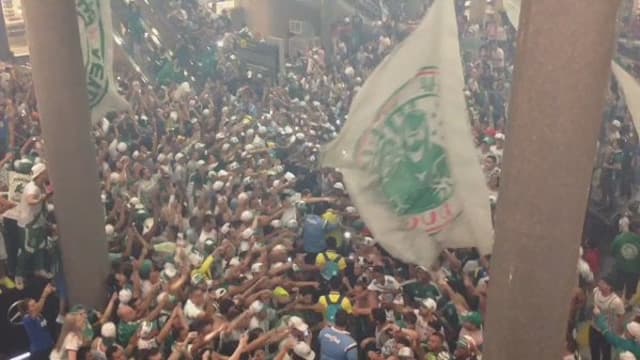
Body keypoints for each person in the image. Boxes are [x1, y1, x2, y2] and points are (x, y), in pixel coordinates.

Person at [14, 163, 51, 289]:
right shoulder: (32, 188)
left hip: (38, 223)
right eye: (45, 172)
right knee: (26, 251)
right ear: (40, 174)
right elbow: (31, 201)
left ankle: (39, 269)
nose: (47, 174)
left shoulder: (42, 186)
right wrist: (43, 198)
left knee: (40, 247)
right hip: (28, 224)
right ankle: (19, 275)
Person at [590, 276, 625, 360]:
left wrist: (617, 333)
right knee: (594, 350)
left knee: (606, 353)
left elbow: (621, 316)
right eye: (600, 282)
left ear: (609, 287)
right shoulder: (596, 291)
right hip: (594, 328)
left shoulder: (616, 302)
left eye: (602, 283)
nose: (599, 284)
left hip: (606, 331)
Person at [21, 283, 56, 359]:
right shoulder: (27, 319)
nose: (36, 305)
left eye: (35, 303)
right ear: (27, 310)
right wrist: (44, 294)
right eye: (32, 305)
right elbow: (38, 309)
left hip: (50, 347)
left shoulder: (39, 315)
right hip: (39, 352)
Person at [611, 221, 640, 301]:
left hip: (620, 268)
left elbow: (612, 252)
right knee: (630, 290)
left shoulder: (619, 238)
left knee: (618, 288)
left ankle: (616, 304)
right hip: (635, 272)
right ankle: (626, 304)